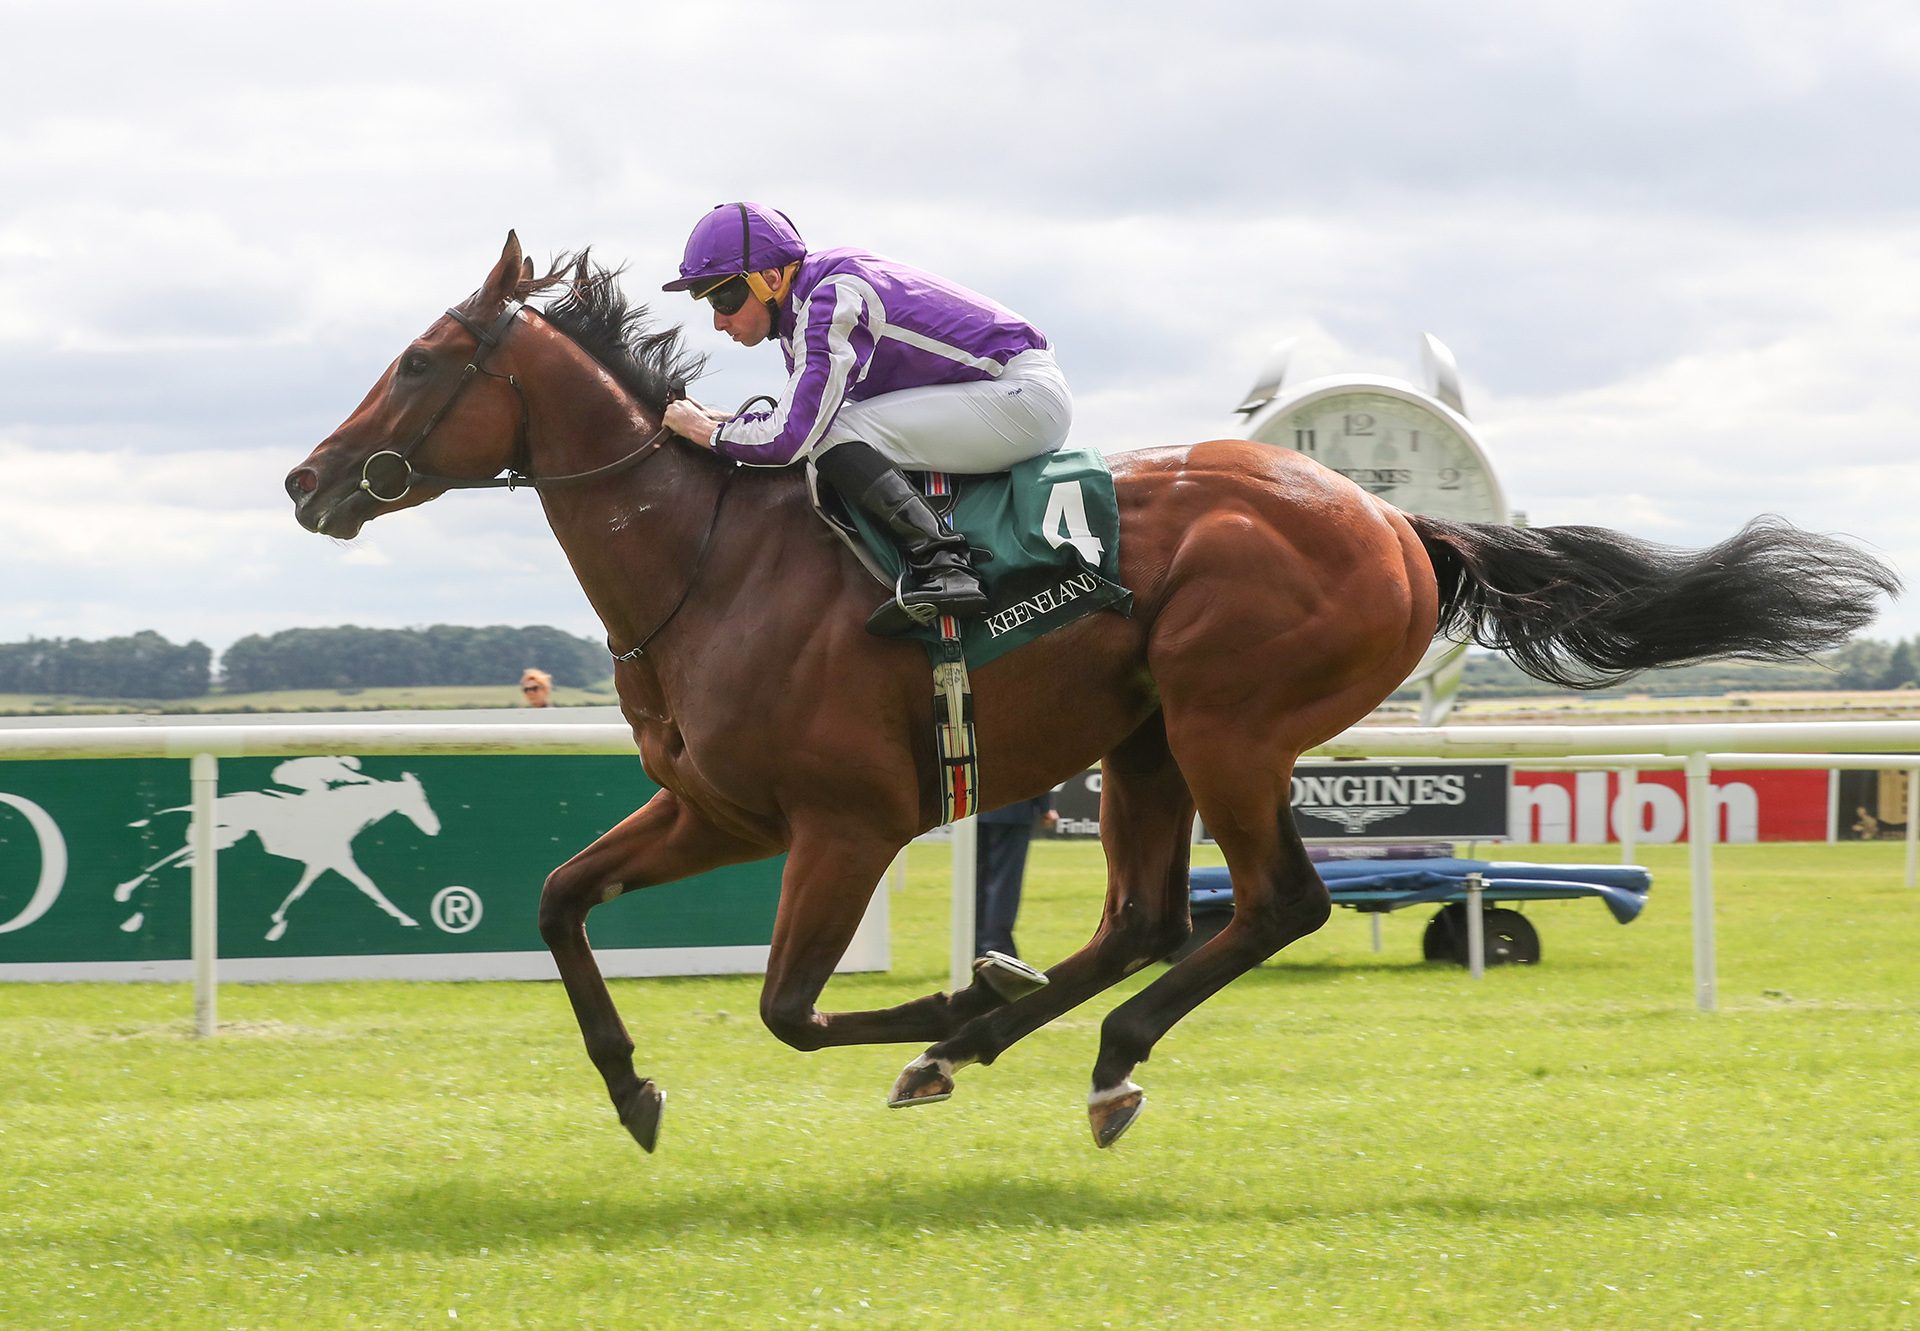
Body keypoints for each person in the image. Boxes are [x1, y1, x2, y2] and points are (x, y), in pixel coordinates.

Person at [660, 202, 1074, 636]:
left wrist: (707, 432)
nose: (718, 319)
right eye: (705, 299)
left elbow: (793, 437)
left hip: (1022, 394)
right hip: (1002, 393)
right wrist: (723, 421)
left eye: (724, 295)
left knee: (830, 435)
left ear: (771, 278)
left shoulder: (830, 298)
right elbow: (801, 417)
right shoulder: (802, 313)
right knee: (831, 430)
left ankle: (945, 566)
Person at [975, 792, 1058, 961]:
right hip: (1013, 805)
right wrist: (1045, 806)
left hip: (971, 810)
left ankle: (977, 944)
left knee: (977, 883)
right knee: (1005, 883)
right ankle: (997, 946)